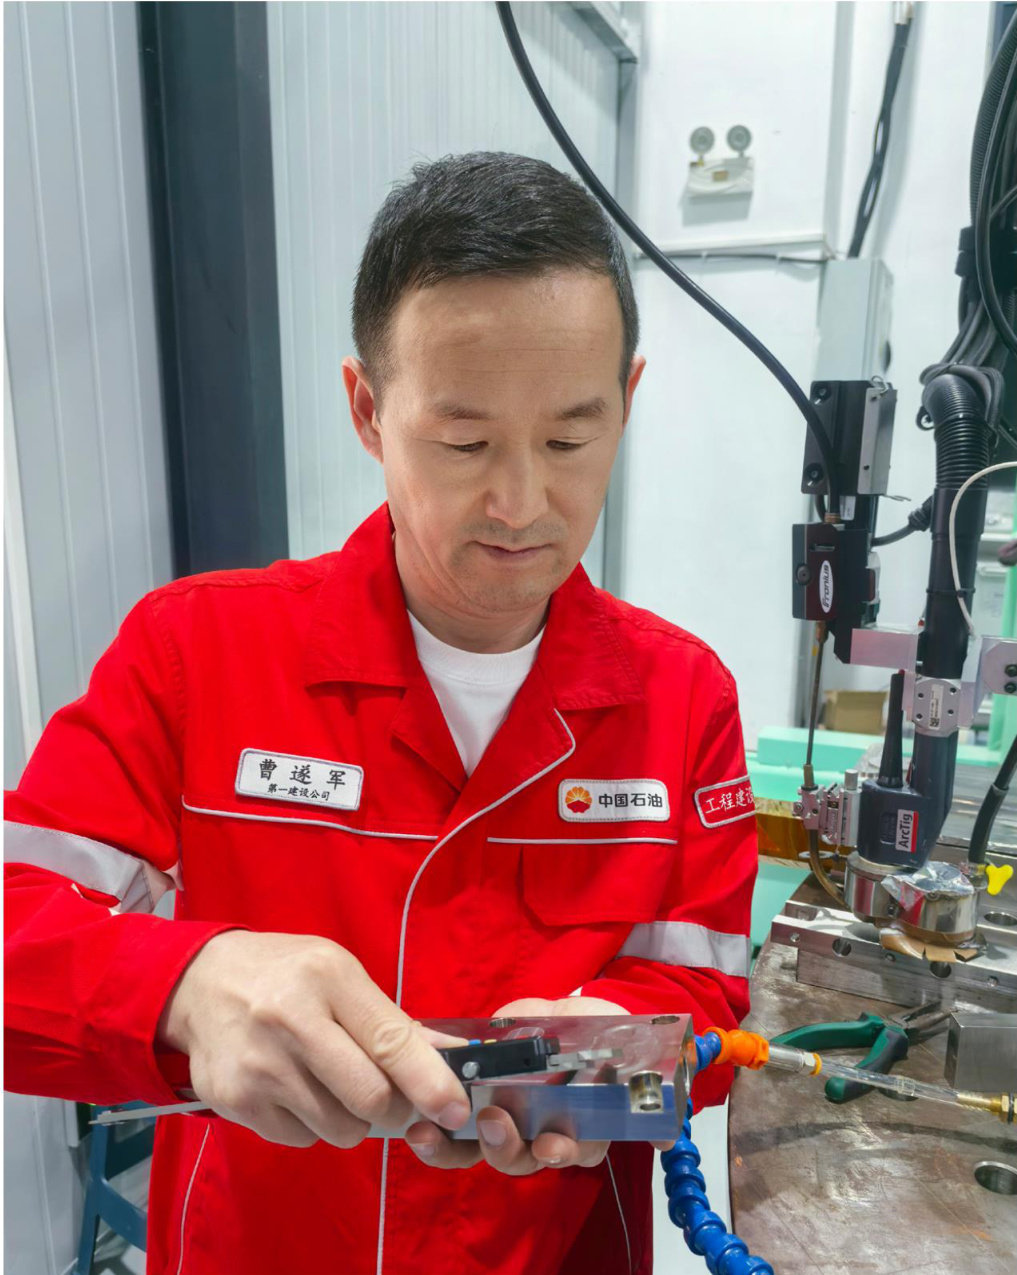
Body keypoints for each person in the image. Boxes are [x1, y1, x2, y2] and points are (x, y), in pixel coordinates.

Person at [5, 151, 757, 1275]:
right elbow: (17, 929)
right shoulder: (198, 653)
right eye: (463, 443)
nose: (521, 503)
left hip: (548, 1248)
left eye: (569, 439)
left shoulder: (682, 698)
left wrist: (595, 1066)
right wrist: (182, 990)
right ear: (368, 410)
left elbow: (705, 1002)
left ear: (626, 404)